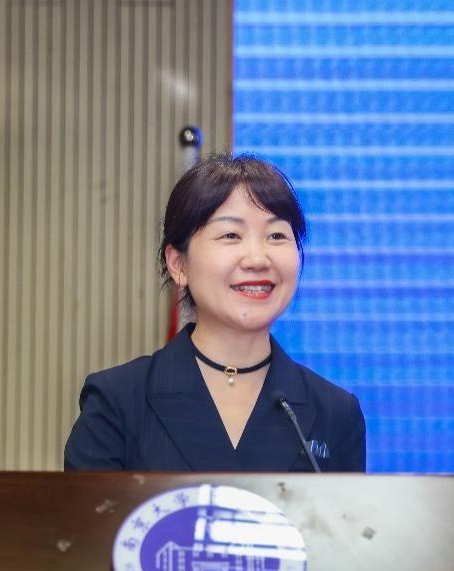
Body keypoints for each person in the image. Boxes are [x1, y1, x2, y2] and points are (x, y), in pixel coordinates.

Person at [64, 153, 366, 472]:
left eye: (276, 236)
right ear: (178, 264)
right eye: (231, 235)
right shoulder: (118, 402)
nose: (257, 259)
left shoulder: (336, 413)